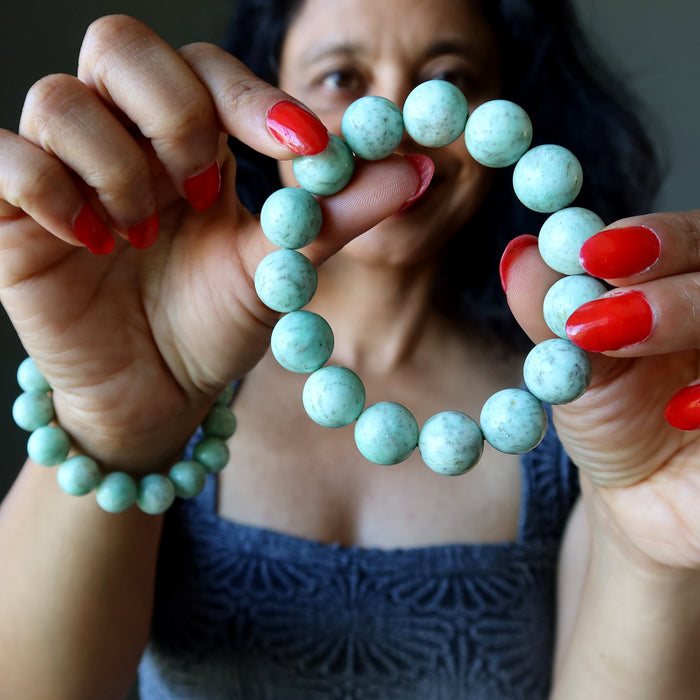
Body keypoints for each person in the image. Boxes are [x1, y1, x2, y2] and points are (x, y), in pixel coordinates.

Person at [0, 0, 698, 698]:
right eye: (340, 76)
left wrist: (653, 552)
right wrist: (117, 422)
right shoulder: (189, 373)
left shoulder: (593, 415)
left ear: (507, 106)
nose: (397, 115)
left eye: (449, 77)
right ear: (265, 103)